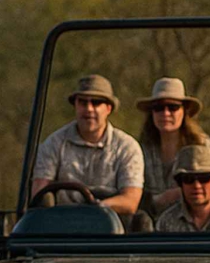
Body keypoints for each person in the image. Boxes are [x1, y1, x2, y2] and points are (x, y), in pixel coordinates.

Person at [31, 74, 143, 215]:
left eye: (96, 102)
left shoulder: (127, 147)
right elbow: (39, 194)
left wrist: (97, 208)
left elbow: (130, 201)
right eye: (83, 103)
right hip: (61, 227)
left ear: (108, 108)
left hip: (113, 230)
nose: (89, 109)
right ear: (75, 106)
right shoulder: (54, 143)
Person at [135, 77, 210, 215]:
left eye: (172, 107)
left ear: (184, 112)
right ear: (151, 113)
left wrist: (181, 193)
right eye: (158, 108)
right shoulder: (139, 149)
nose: (165, 114)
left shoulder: (204, 146)